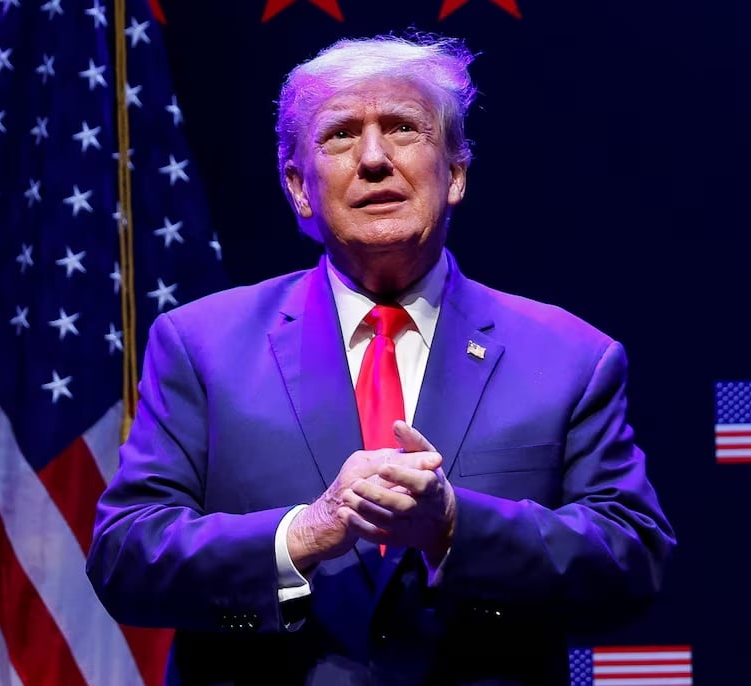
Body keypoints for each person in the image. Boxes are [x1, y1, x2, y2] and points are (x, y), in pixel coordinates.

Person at [85, 33, 675, 685]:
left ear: (453, 172)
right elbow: (124, 558)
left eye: (402, 127)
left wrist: (454, 524)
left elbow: (632, 561)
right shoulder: (200, 345)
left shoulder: (571, 358)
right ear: (298, 187)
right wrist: (303, 534)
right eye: (340, 135)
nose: (373, 159)